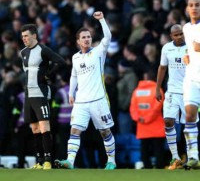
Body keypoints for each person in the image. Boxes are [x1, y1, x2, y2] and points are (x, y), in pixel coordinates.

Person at [54, 11, 116, 170]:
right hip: (81, 101)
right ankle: (70, 161)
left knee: (105, 131)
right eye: (84, 37)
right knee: (75, 130)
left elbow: (108, 37)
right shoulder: (75, 58)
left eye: (89, 36)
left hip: (98, 100)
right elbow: (74, 76)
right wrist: (70, 93)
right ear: (78, 41)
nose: (87, 39)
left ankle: (111, 160)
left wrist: (102, 19)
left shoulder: (98, 52)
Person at [20, 24, 67, 170]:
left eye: (26, 36)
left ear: (34, 36)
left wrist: (48, 74)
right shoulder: (23, 52)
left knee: (44, 126)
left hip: (40, 93)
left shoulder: (43, 50)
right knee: (34, 128)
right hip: (29, 94)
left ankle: (48, 160)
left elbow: (61, 62)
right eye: (22, 36)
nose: (24, 39)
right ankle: (39, 161)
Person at [156, 24, 187, 170]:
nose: (179, 37)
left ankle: (192, 157)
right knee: (168, 121)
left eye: (181, 34)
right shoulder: (166, 48)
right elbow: (162, 68)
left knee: (191, 125)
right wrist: (158, 88)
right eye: (176, 35)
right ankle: (175, 157)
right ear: (171, 36)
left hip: (189, 91)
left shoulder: (192, 47)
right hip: (172, 91)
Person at [130, 70, 166, 169]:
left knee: (144, 147)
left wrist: (139, 118)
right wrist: (148, 118)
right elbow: (157, 107)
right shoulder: (158, 90)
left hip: (142, 125)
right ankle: (159, 166)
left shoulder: (137, 91)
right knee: (158, 148)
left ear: (144, 78)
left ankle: (147, 166)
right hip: (156, 124)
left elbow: (133, 108)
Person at [182, 0, 200, 169]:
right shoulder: (186, 28)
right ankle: (193, 156)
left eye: (197, 5)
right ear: (187, 9)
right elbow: (191, 48)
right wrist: (188, 55)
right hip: (192, 77)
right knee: (189, 115)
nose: (194, 8)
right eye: (191, 5)